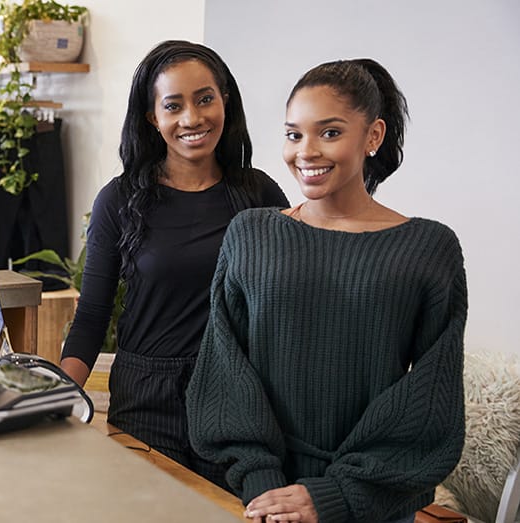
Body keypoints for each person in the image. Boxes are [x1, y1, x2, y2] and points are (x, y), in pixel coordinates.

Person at [186, 58, 468, 523]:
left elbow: (431, 402)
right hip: (261, 502)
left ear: (373, 137)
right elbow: (223, 371)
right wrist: (263, 484)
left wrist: (334, 494)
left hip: (371, 504)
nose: (306, 151)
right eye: (294, 134)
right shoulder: (251, 234)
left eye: (330, 133)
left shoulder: (429, 247)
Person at [59, 40, 289, 484]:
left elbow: (288, 305)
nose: (192, 118)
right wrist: (54, 397)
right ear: (153, 118)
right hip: (147, 398)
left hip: (234, 397)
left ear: (225, 100)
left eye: (205, 99)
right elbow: (91, 317)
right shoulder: (120, 199)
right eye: (173, 105)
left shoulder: (260, 197)